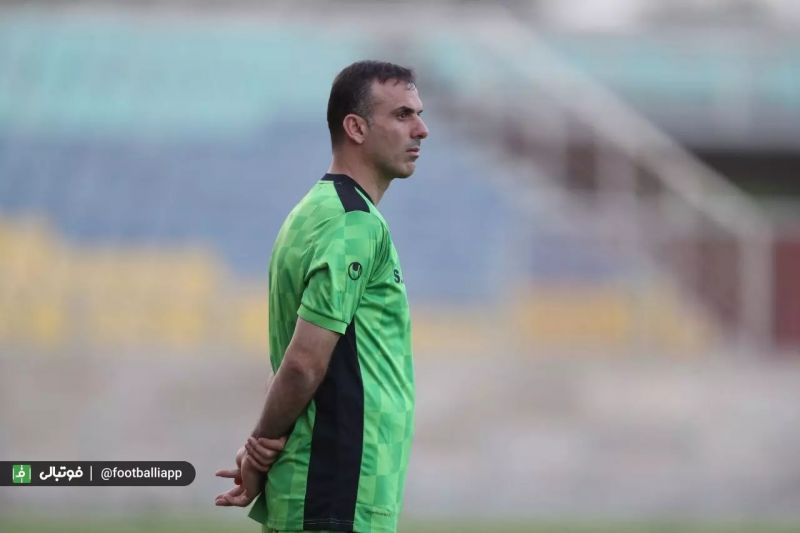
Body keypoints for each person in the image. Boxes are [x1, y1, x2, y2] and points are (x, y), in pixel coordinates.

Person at [214, 60, 429, 533]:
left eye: (418, 114)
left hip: (320, 489)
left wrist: (261, 445)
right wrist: (260, 448)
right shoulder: (354, 223)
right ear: (356, 128)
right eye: (402, 115)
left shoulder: (310, 212)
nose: (421, 129)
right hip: (337, 488)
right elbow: (303, 362)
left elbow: (294, 355)